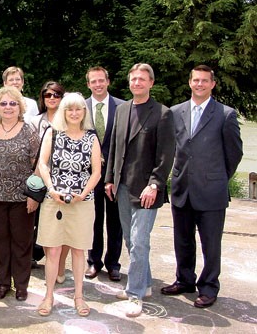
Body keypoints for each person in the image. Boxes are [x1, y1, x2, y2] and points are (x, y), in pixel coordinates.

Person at [161, 65, 242, 309]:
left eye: (204, 81)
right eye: (196, 80)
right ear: (190, 83)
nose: (200, 84)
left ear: (212, 84)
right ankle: (184, 280)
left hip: (211, 191)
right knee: (183, 241)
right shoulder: (176, 112)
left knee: (210, 243)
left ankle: (208, 287)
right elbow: (170, 149)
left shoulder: (225, 114)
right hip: (182, 189)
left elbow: (234, 154)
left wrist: (216, 178)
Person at [104, 63, 175, 317]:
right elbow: (114, 147)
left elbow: (166, 155)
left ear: (151, 83)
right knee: (131, 239)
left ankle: (134, 296)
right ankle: (144, 285)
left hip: (146, 189)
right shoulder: (122, 110)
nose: (137, 83)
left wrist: (155, 184)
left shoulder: (163, 114)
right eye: (133, 79)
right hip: (121, 186)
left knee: (140, 241)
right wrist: (109, 179)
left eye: (142, 79)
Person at [36, 92, 101, 317]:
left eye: (78, 109)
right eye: (70, 109)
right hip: (54, 200)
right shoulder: (52, 134)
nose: (74, 113)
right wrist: (51, 189)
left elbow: (96, 172)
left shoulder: (91, 138)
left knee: (78, 250)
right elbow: (43, 164)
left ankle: (79, 297)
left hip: (82, 202)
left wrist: (83, 193)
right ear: (64, 112)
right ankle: (49, 296)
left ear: (84, 112)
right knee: (52, 250)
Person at [0, 86, 40, 301]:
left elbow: (38, 166)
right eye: (4, 103)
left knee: (22, 242)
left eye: (12, 103)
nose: (8, 107)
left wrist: (34, 195)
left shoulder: (29, 131)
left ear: (20, 107)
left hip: (21, 198)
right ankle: (2, 282)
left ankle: (21, 284)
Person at [84, 67, 124, 282]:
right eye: (93, 81)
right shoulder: (82, 108)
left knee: (115, 222)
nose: (98, 84)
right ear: (88, 84)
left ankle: (113, 264)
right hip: (90, 176)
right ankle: (94, 262)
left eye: (101, 80)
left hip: (115, 175)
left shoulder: (123, 107)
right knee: (94, 220)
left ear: (108, 81)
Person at [29, 81, 66, 274]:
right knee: (38, 221)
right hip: (39, 177)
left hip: (62, 180)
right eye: (48, 95)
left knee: (60, 224)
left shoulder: (69, 121)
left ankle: (58, 266)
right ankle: (37, 256)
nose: (52, 98)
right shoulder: (35, 122)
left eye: (56, 95)